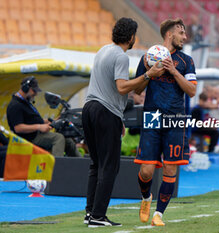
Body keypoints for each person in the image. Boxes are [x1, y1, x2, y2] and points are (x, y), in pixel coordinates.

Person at [82, 17, 150, 228]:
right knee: (109, 167)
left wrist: (118, 116)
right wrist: (148, 74)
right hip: (104, 112)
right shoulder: (120, 56)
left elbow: (109, 88)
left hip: (89, 108)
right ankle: (98, 216)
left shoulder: (103, 50)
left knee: (96, 164)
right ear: (131, 37)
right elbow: (121, 87)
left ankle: (90, 212)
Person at [134, 18, 197, 226]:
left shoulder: (187, 60)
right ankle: (146, 198)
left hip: (176, 118)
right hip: (152, 115)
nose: (184, 37)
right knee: (146, 170)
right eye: (181, 32)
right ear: (170, 34)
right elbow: (137, 90)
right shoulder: (147, 57)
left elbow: (192, 90)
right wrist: (150, 74)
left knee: (170, 168)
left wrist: (174, 71)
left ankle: (158, 214)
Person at [6, 76, 80, 158]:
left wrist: (54, 121)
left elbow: (34, 120)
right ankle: (56, 168)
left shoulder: (26, 102)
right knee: (58, 138)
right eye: (34, 91)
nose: (36, 94)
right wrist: (39, 127)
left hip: (37, 134)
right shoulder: (15, 105)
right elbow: (18, 128)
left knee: (68, 140)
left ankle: (82, 165)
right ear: (25, 88)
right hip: (30, 138)